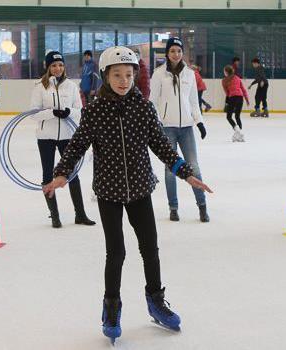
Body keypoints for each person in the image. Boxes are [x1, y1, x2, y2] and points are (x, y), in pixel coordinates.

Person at [42, 46, 212, 344]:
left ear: (136, 76)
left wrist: (186, 172)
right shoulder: (95, 110)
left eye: (129, 75)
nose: (124, 80)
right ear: (106, 77)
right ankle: (111, 307)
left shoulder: (143, 108)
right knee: (116, 252)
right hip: (109, 191)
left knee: (150, 248)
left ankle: (156, 301)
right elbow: (78, 144)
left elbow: (161, 145)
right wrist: (60, 173)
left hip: (140, 190)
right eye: (117, 75)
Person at [30, 51, 96, 228]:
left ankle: (80, 214)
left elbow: (79, 110)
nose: (57, 68)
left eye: (60, 65)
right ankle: (55, 215)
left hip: (67, 136)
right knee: (47, 175)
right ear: (48, 67)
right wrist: (51, 113)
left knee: (72, 174)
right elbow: (33, 113)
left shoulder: (71, 86)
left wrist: (68, 112)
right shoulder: (40, 87)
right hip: (46, 137)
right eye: (53, 65)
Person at [150, 37, 210, 223]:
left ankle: (202, 206)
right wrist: (156, 123)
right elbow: (152, 101)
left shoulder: (189, 74)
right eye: (172, 51)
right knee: (170, 170)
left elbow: (193, 101)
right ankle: (173, 207)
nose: (176, 54)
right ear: (167, 53)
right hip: (167, 128)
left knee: (194, 167)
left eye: (179, 51)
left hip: (186, 128)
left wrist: (199, 122)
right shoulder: (159, 74)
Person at [222, 65, 249, 142]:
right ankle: (239, 134)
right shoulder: (237, 78)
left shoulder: (224, 80)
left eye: (224, 71)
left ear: (226, 72)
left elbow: (227, 92)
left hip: (232, 98)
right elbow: (243, 89)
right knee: (237, 116)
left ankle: (238, 131)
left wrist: (227, 101)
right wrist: (247, 99)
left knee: (229, 117)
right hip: (240, 97)